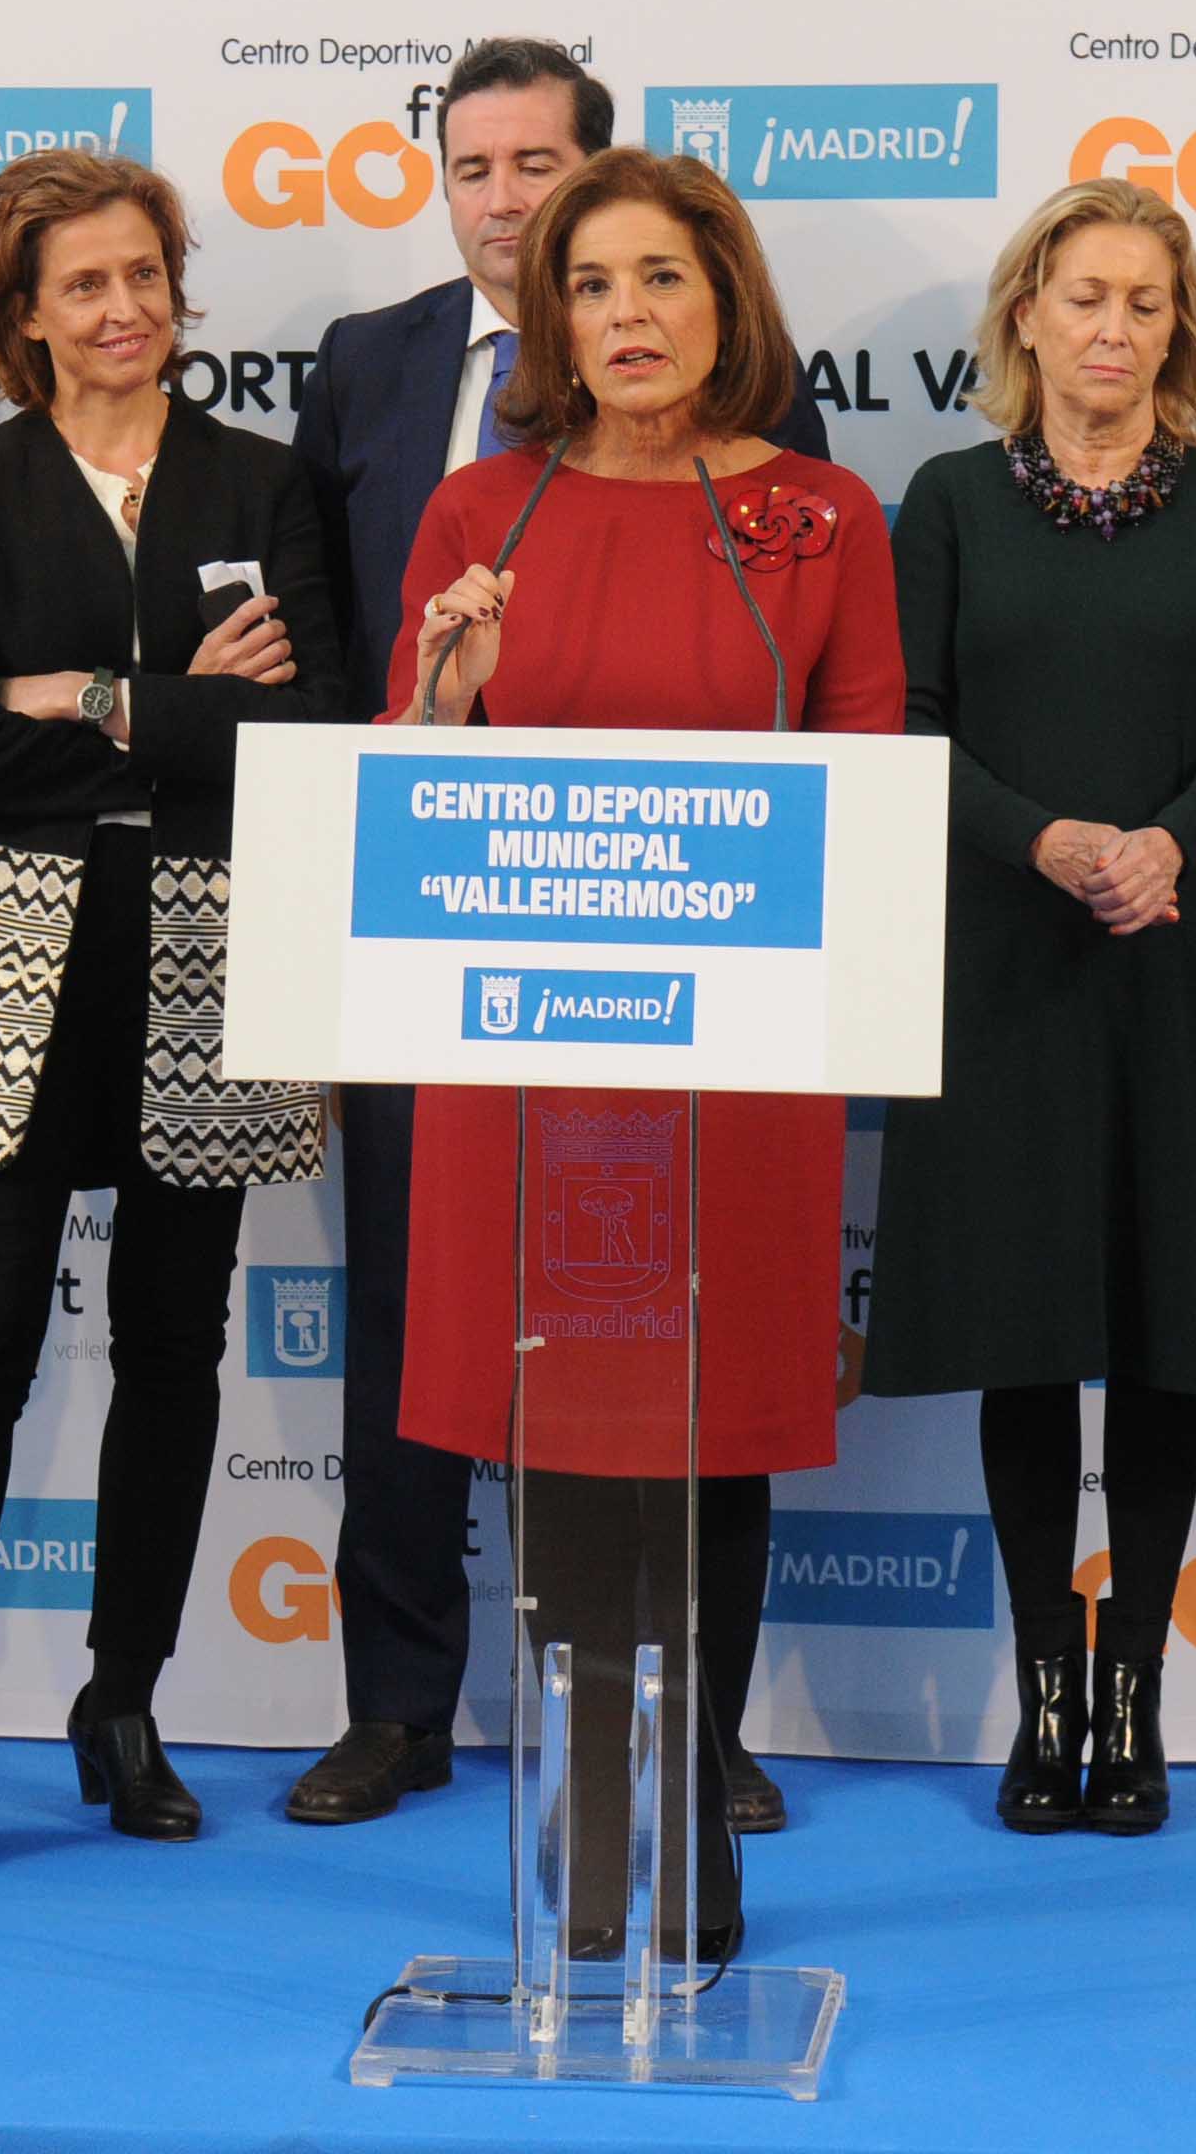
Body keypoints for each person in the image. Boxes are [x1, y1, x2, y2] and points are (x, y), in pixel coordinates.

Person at [286, 36, 827, 1835]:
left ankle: (694, 1726)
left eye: (539, 168)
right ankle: (400, 1707)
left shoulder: (790, 472)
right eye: (474, 169)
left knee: (692, 1344)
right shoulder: (375, 374)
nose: (504, 202)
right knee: (415, 1324)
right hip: (451, 961)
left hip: (708, 984)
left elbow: (830, 731)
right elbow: (352, 667)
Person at [390, 147, 902, 1961]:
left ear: (724, 299)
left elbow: (864, 784)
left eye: (661, 278)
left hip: (736, 1061)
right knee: (561, 1431)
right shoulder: (481, 516)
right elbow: (409, 800)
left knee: (707, 1426)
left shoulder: (822, 517)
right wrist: (443, 697)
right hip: (524, 1064)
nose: (625, 315)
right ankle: (583, 1835)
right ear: (552, 317)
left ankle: (691, 1818)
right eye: (591, 284)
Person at [0, 151, 342, 1894]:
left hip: (214, 938)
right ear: (24, 313)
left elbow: (308, 729)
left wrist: (88, 698)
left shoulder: (264, 479)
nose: (123, 308)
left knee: (175, 1345)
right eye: (84, 284)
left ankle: (122, 1702)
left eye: (144, 275)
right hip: (5, 945)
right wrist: (183, 705)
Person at [865, 179, 1196, 1838]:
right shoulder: (948, 500)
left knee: (1166, 1326)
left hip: (1181, 948)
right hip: (1004, 954)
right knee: (1027, 1330)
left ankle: (1137, 1699)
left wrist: (1164, 843)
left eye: (1144, 301)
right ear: (1026, 316)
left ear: (1177, 330)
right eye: (1084, 297)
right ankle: (1045, 1691)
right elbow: (906, 723)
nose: (1112, 329)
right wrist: (1045, 841)